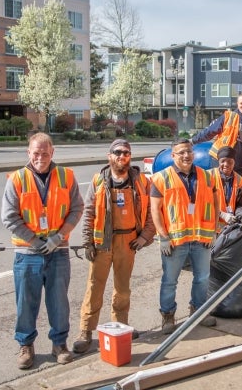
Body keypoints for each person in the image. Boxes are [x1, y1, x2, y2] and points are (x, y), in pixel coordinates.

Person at [1, 132, 84, 369]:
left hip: (58, 252)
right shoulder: (16, 179)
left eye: (45, 153)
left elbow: (77, 208)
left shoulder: (66, 176)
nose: (40, 157)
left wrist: (59, 236)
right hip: (27, 254)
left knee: (59, 302)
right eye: (36, 153)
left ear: (52, 153)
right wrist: (35, 241)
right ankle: (26, 345)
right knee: (26, 303)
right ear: (28, 153)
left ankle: (59, 344)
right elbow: (9, 217)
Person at [72, 139, 156, 354]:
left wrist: (145, 237)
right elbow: (89, 212)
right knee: (94, 288)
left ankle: (120, 327)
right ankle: (86, 331)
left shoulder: (141, 182)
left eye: (126, 153)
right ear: (109, 156)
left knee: (122, 289)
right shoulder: (99, 181)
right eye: (117, 152)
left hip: (127, 244)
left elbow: (151, 213)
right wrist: (87, 242)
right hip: (103, 244)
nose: (122, 156)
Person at [150, 138, 220, 334]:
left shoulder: (207, 177)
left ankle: (198, 311)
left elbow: (215, 204)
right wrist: (163, 236)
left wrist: (214, 230)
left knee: (203, 278)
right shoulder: (161, 178)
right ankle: (167, 316)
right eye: (181, 152)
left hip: (202, 237)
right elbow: (155, 210)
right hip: (174, 240)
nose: (186, 155)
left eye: (189, 151)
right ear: (173, 156)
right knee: (170, 280)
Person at [191, 91, 242, 181]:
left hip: (238, 165)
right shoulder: (228, 116)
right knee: (219, 189)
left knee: (236, 191)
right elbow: (210, 131)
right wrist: (193, 141)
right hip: (220, 162)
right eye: (241, 103)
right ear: (237, 104)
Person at [208, 146, 242, 229]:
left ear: (234, 162)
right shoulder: (208, 177)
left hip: (229, 228)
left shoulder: (239, 180)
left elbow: (239, 204)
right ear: (218, 161)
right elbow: (203, 203)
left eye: (230, 162)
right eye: (223, 161)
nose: (226, 165)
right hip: (211, 227)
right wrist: (222, 214)